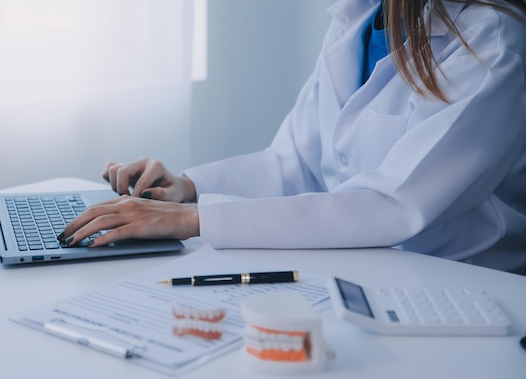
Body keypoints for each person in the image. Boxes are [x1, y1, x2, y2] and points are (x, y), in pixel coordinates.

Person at [59, 0, 526, 274]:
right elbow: (294, 163)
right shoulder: (358, 18)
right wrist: (185, 188)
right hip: (364, 271)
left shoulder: (491, 39)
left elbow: (390, 204)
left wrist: (191, 220)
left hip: (464, 285)